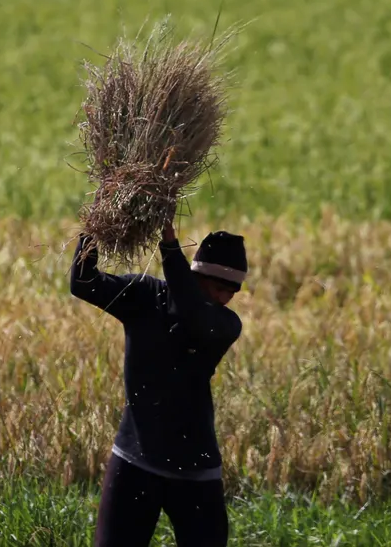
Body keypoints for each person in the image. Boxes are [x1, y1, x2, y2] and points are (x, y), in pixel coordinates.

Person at [70, 220, 247, 547]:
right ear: (196, 275)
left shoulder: (224, 325)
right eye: (218, 287)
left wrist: (169, 247)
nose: (223, 298)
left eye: (231, 292)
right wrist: (95, 227)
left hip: (194, 472)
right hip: (135, 461)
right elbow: (84, 283)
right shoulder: (145, 295)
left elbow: (190, 314)